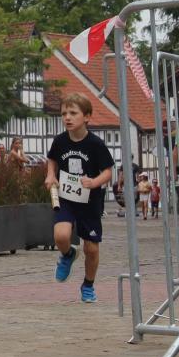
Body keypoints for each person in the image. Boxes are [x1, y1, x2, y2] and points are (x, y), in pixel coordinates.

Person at [47, 93, 115, 302]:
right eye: (64, 113)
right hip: (66, 197)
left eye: (73, 113)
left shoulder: (95, 144)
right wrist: (50, 175)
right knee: (61, 236)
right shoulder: (60, 141)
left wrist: (94, 182)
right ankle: (67, 254)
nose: (67, 117)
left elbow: (108, 171)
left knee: (91, 248)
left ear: (87, 117)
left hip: (90, 201)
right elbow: (52, 160)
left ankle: (88, 284)